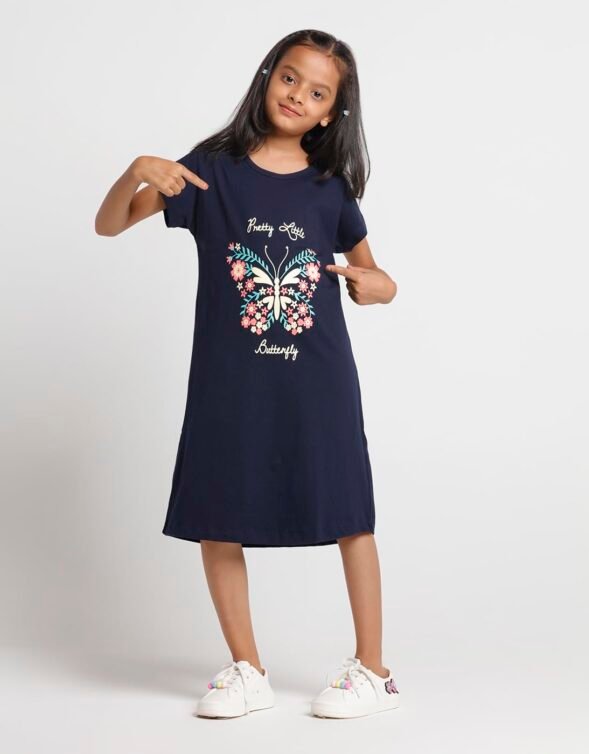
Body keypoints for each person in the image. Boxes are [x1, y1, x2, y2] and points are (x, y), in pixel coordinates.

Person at [95, 29, 399, 720]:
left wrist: (379, 287)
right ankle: (247, 668)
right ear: (268, 77)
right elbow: (109, 225)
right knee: (217, 512)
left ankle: (374, 671)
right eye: (290, 78)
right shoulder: (211, 171)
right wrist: (136, 171)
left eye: (317, 92)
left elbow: (376, 276)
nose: (298, 96)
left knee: (351, 514)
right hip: (228, 384)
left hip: (318, 381)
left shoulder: (330, 188)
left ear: (331, 112)